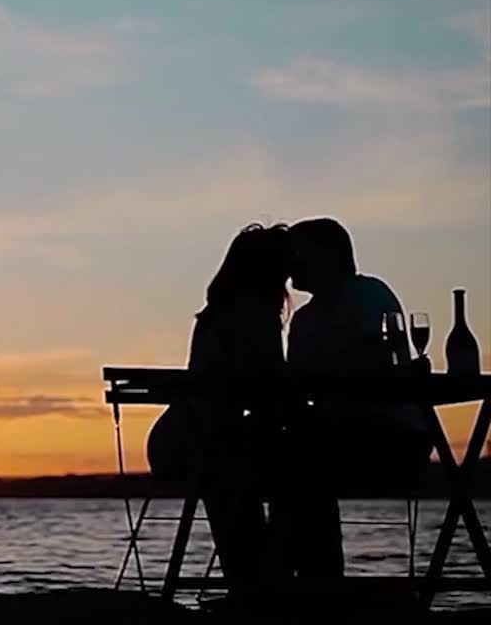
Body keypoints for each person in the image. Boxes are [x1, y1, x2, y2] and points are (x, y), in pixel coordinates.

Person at [277, 217, 432, 581]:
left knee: (298, 464)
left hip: (390, 441)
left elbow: (375, 373)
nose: (290, 265)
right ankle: (298, 581)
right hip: (335, 441)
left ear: (326, 255)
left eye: (297, 254)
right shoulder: (304, 320)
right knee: (289, 459)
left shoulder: (371, 296)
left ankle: (312, 582)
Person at [147, 223, 290, 593]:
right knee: (276, 470)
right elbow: (270, 391)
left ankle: (253, 585)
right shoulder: (254, 318)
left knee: (247, 466)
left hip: (181, 437)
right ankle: (264, 586)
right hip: (198, 442)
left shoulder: (218, 314)